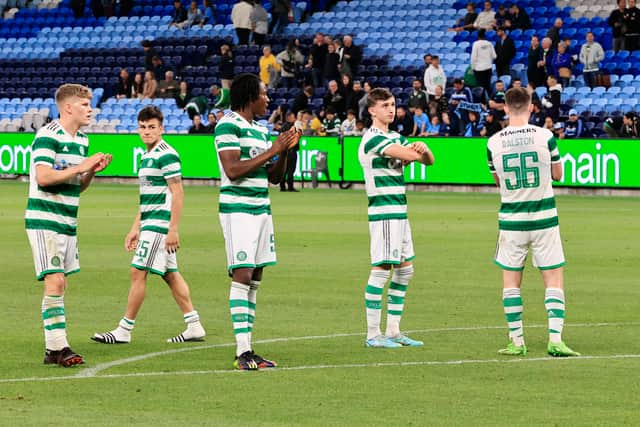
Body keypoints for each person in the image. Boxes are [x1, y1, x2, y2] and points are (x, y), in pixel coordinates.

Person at [92, 106, 206, 345]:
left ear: (161, 129)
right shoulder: (147, 156)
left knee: (138, 272)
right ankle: (194, 325)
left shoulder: (166, 154)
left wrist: (173, 229)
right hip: (150, 223)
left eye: (152, 127)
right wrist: (135, 227)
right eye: (143, 127)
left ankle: (124, 329)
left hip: (159, 226)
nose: (147, 131)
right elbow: (148, 198)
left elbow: (178, 192)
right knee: (170, 275)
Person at [214, 73, 301, 370]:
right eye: (264, 94)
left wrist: (286, 151)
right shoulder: (227, 124)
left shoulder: (261, 130)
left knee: (256, 277)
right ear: (250, 96)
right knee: (242, 274)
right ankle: (242, 351)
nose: (268, 99)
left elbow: (274, 177)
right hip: (238, 210)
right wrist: (274, 149)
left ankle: (248, 346)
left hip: (262, 208)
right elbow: (233, 170)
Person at [487, 86, 580, 358]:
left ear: (505, 108)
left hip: (511, 220)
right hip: (544, 218)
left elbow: (498, 181)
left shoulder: (493, 142)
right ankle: (555, 339)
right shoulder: (546, 136)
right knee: (552, 277)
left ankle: (517, 341)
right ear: (531, 107)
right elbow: (559, 174)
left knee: (511, 281)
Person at [26, 84, 112, 367]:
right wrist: (81, 166)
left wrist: (89, 171)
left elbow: (77, 187)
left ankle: (53, 350)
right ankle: (59, 347)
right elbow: (44, 177)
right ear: (68, 108)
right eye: (85, 105)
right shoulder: (47, 135)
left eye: (90, 104)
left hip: (67, 220)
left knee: (59, 285)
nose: (91, 109)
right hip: (44, 218)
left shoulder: (83, 141)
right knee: (55, 280)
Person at [358, 87, 434, 349]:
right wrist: (418, 150)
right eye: (384, 105)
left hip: (400, 212)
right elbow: (412, 156)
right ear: (372, 110)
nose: (391, 109)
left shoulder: (394, 136)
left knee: (405, 270)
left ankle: (393, 330)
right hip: (384, 212)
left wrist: (424, 148)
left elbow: (428, 161)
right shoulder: (373, 138)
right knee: (381, 270)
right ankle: (372, 334)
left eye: (392, 104)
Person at [471, 29, 496, 97]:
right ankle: (490, 100)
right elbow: (494, 56)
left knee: (480, 87)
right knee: (487, 86)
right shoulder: (489, 43)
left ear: (478, 36)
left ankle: (482, 102)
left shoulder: (476, 44)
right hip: (488, 68)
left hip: (479, 69)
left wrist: (473, 68)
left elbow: (473, 58)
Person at [279, 111, 299, 192]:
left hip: (284, 152)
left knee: (285, 169)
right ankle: (290, 186)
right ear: (289, 117)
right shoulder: (292, 127)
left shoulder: (283, 127)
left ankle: (282, 186)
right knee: (291, 169)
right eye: (293, 117)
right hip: (291, 151)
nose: (294, 118)